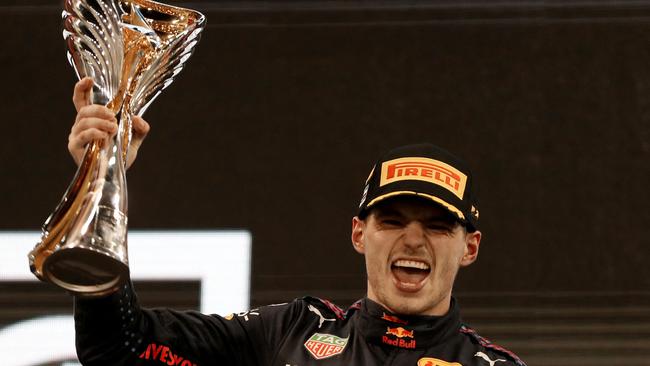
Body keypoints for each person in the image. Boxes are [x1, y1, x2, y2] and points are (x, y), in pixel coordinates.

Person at [69, 78, 526, 366]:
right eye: (391, 220)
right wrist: (103, 183)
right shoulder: (291, 331)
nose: (412, 240)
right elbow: (116, 347)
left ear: (470, 247)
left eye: (437, 225)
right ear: (359, 233)